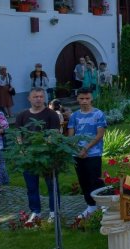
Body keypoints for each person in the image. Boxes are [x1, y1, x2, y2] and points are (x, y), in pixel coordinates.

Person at [15, 88, 62, 223]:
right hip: (28, 157)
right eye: (35, 96)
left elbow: (54, 134)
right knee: (31, 186)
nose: (38, 99)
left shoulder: (51, 114)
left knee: (52, 185)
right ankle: (36, 212)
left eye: (41, 96)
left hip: (48, 156)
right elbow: (19, 134)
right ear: (29, 98)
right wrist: (21, 149)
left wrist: (43, 149)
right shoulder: (22, 115)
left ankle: (54, 212)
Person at [67, 88, 107, 220]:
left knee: (95, 180)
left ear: (91, 99)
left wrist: (86, 148)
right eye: (81, 98)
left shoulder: (98, 114)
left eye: (87, 98)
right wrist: (77, 149)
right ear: (77, 99)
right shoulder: (74, 116)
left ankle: (104, 205)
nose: (84, 101)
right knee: (83, 180)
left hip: (93, 153)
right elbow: (71, 134)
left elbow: (100, 134)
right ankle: (91, 206)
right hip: (77, 154)